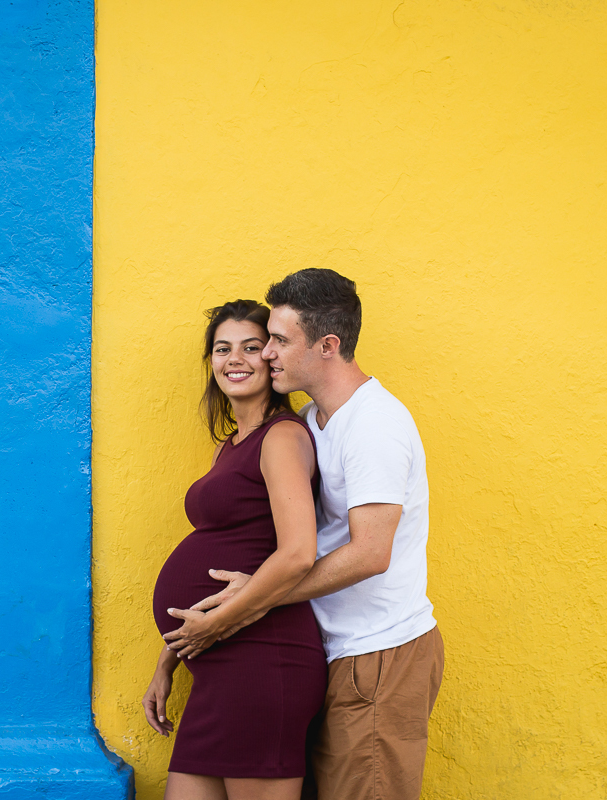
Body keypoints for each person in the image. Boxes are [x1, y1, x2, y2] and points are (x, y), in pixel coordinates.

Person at [164, 269, 444, 800]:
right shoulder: (318, 419)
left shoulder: (374, 425)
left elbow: (369, 553)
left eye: (279, 340)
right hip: (336, 647)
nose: (267, 353)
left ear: (328, 346)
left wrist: (247, 601)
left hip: (379, 651)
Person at [144, 299, 328, 800]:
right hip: (218, 664)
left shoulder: (282, 437)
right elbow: (234, 554)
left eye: (252, 347)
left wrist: (216, 626)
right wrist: (169, 658)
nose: (236, 359)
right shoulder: (232, 444)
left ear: (272, 358)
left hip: (264, 661)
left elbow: (296, 555)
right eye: (223, 349)